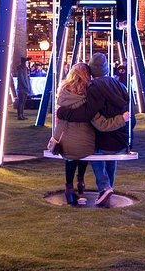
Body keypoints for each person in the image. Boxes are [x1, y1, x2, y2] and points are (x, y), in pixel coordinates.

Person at [50, 62, 130, 206]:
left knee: (71, 157)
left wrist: (62, 114)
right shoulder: (87, 98)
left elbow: (61, 115)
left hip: (61, 142)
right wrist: (121, 119)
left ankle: (69, 187)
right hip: (83, 146)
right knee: (92, 151)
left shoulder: (62, 94)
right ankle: (88, 183)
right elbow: (102, 124)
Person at [87, 52, 131, 207]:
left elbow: (96, 119)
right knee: (111, 159)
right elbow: (129, 112)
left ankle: (105, 187)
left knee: (92, 151)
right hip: (120, 138)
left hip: (103, 137)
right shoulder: (121, 85)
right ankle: (108, 189)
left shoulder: (93, 89)